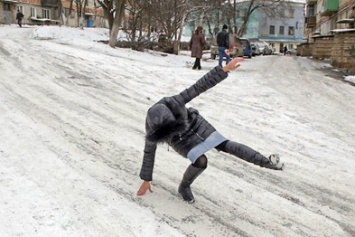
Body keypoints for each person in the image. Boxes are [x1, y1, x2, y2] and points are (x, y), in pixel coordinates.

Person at [136, 57, 284, 204]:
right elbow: (149, 153)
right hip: (179, 140)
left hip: (194, 123)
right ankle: (184, 186)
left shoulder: (175, 101)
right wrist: (146, 179)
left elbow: (199, 86)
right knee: (201, 161)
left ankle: (266, 162)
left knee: (225, 144)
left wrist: (224, 69)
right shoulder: (153, 129)